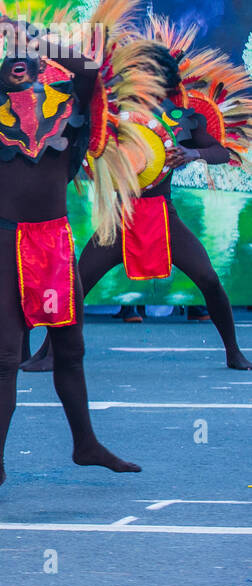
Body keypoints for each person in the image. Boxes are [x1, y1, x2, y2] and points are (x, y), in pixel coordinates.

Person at [0, 19, 144, 506]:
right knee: (6, 358)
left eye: (24, 55)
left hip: (55, 245)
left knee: (70, 353)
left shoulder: (69, 109)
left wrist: (32, 35)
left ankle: (86, 444)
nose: (16, 61)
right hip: (10, 244)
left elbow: (89, 69)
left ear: (37, 62)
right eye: (5, 57)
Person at [23, 31, 252, 372]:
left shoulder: (183, 115)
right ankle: (50, 351)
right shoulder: (115, 110)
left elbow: (220, 152)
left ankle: (233, 351)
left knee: (208, 279)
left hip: (162, 215)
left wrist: (191, 153)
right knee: (78, 284)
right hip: (119, 215)